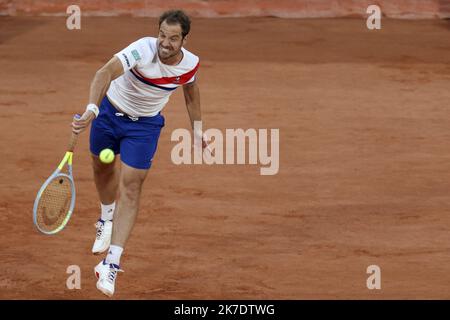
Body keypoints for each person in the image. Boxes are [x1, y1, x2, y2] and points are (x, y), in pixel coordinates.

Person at [71, 9, 207, 297]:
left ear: (184, 40)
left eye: (173, 38)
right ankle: (105, 219)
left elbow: (190, 91)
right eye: (162, 35)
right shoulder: (141, 50)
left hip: (144, 127)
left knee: (132, 187)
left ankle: (111, 264)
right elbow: (105, 72)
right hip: (108, 114)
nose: (165, 43)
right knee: (102, 167)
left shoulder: (190, 64)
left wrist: (197, 129)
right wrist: (92, 108)